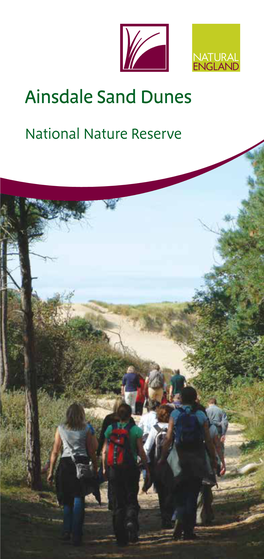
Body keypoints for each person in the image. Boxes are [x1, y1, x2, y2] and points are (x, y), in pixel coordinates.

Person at [159, 387, 217, 541]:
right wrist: (213, 458)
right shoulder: (200, 415)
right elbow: (208, 440)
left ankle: (179, 517)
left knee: (178, 491)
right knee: (192, 493)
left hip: (178, 457)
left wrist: (163, 457)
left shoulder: (175, 414)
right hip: (197, 457)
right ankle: (189, 531)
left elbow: (169, 438)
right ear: (195, 399)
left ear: (182, 398)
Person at [47, 403, 98, 546]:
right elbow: (92, 450)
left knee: (67, 499)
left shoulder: (60, 428)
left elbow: (55, 451)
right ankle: (76, 534)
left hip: (65, 465)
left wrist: (51, 471)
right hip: (81, 464)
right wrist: (95, 466)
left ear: (68, 414)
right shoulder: (87, 429)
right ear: (82, 414)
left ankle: (66, 530)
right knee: (79, 497)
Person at [102, 403, 150, 547]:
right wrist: (146, 468)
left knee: (118, 502)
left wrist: (104, 468)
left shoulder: (110, 429)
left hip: (114, 470)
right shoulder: (135, 430)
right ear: (130, 415)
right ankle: (131, 524)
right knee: (131, 498)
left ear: (117, 415)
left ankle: (120, 538)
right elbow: (141, 452)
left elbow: (105, 450)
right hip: (131, 469)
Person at [144, 405, 174, 528]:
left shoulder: (155, 429)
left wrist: (148, 465)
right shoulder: (174, 428)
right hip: (173, 464)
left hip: (158, 465)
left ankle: (165, 517)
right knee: (172, 491)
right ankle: (173, 515)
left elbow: (147, 448)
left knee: (161, 492)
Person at [196, 418, 226, 526]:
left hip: (188, 461)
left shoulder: (185, 425)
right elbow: (217, 446)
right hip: (207, 462)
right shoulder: (211, 427)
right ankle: (205, 515)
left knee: (194, 489)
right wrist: (221, 461)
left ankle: (196, 516)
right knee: (206, 488)